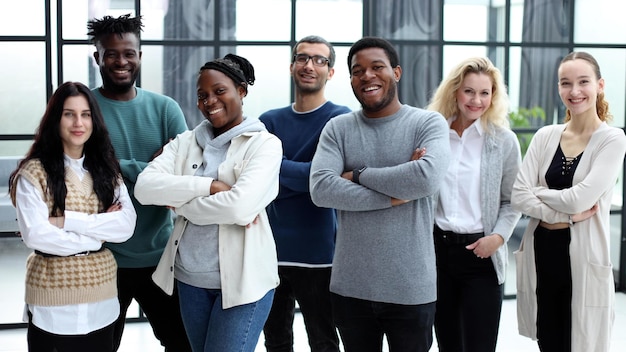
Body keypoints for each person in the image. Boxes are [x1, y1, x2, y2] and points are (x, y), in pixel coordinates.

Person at [309, 36, 451, 352]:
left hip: (411, 287)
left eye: (377, 67)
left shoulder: (427, 122)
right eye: (358, 71)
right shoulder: (338, 128)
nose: (367, 76)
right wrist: (394, 195)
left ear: (396, 72)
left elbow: (425, 178)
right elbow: (321, 188)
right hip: (350, 287)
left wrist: (357, 174)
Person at [134, 53, 282, 352]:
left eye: (219, 91)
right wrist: (210, 186)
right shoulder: (185, 142)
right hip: (190, 281)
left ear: (241, 91)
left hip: (245, 285)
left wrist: (182, 206)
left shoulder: (264, 144)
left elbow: (239, 207)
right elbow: (145, 188)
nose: (209, 101)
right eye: (202, 95)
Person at [86, 14, 191, 351]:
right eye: (111, 53)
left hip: (161, 256)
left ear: (140, 56)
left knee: (182, 344)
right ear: (97, 57)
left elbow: (182, 175)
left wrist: (114, 164)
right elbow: (83, 172)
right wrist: (150, 169)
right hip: (101, 258)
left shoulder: (165, 109)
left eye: (128, 53)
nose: (121, 61)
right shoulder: (83, 109)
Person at [8, 81, 137, 352]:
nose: (78, 122)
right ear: (56, 119)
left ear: (94, 120)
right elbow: (37, 236)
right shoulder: (34, 173)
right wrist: (98, 233)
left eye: (86, 114)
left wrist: (65, 221)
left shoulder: (106, 170)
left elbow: (126, 226)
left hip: (102, 301)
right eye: (69, 113)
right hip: (52, 306)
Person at [512, 51, 626, 352]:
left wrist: (540, 192)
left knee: (582, 343)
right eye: (566, 83)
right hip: (543, 256)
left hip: (584, 260)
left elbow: (579, 199)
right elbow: (518, 195)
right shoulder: (545, 135)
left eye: (583, 82)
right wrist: (568, 216)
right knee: (548, 342)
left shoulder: (612, 139)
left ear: (599, 85)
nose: (574, 91)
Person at [259, 35, 349, 352]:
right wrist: (311, 178)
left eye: (319, 60)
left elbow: (327, 183)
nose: (309, 65)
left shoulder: (340, 119)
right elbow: (257, 180)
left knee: (324, 341)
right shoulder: (268, 121)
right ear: (292, 66)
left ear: (331, 72)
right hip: (270, 253)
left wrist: (278, 171)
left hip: (320, 256)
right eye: (302, 58)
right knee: (276, 340)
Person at [426, 57, 521, 351]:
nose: (476, 100)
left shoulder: (504, 142)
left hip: (482, 255)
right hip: (437, 254)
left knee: (480, 345)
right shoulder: (433, 135)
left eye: (485, 92)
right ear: (455, 91)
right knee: (448, 344)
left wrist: (498, 237)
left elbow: (512, 200)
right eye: (469, 91)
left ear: (493, 96)